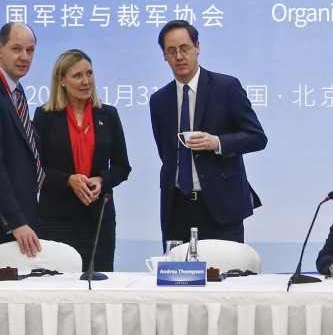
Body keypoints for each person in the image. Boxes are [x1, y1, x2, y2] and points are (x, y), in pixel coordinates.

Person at [149, 20, 267, 243]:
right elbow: (166, 153)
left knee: (224, 265)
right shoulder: (159, 100)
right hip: (177, 209)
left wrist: (217, 143)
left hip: (221, 207)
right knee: (177, 266)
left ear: (197, 47)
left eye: (185, 48)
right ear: (164, 55)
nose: (179, 57)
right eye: (171, 51)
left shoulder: (226, 87)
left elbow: (257, 137)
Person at [33, 49, 131, 271]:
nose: (86, 81)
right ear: (61, 80)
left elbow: (122, 167)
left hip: (99, 220)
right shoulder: (45, 116)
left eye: (89, 73)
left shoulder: (108, 115)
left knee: (99, 283)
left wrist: (101, 179)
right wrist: (68, 180)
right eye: (77, 76)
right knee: (58, 285)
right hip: (56, 219)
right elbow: (35, 168)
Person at [0, 21, 43, 256]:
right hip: (9, 224)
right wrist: (16, 222)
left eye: (30, 50)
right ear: (0, 48)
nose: (24, 57)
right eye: (16, 49)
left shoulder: (16, 90)